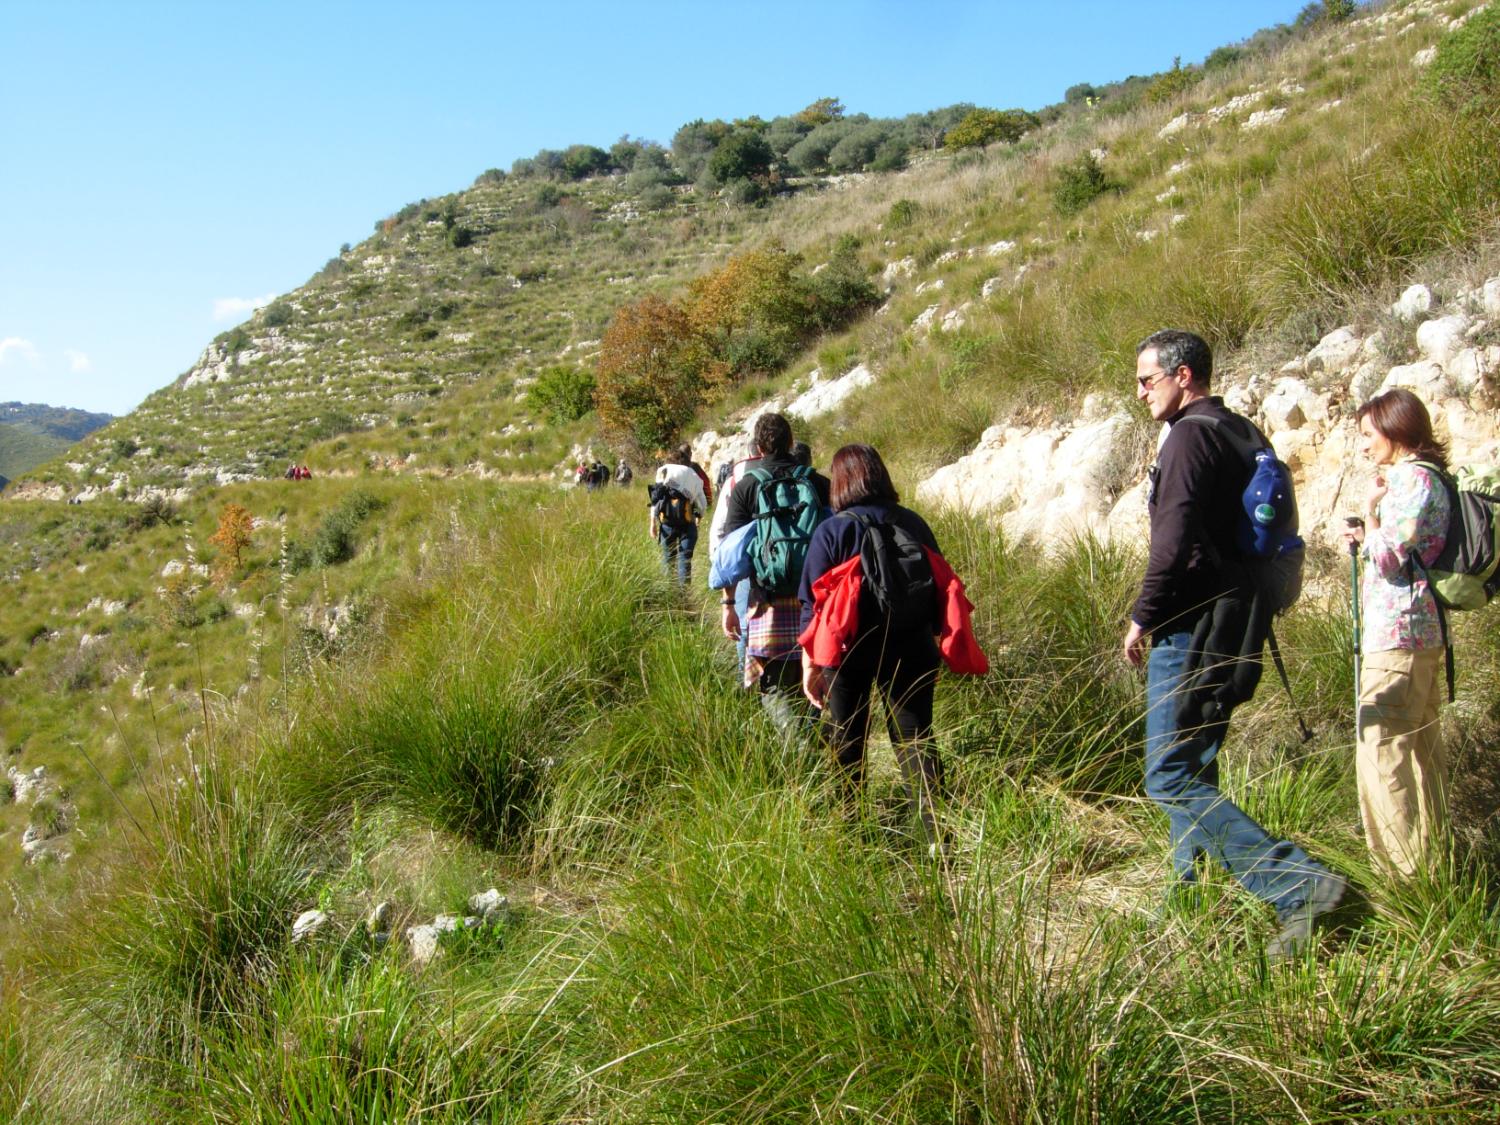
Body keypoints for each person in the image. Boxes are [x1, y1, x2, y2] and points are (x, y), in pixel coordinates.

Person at [1122, 329, 1346, 960]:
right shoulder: (1240, 430)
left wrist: (1143, 615)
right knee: (1194, 764)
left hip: (1192, 623)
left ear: (1183, 375)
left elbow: (1172, 543)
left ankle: (1295, 882)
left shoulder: (1190, 436)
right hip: (1239, 620)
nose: (1140, 392)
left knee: (1168, 775)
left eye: (1147, 379)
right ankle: (1190, 903)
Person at [797, 444, 965, 845]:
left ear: (838, 484)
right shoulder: (914, 524)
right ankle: (937, 845)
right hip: (912, 648)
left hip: (848, 653)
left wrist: (810, 666)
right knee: (916, 741)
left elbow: (813, 606)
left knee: (847, 743)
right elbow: (941, 583)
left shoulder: (832, 530)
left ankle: (853, 839)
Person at [1339, 388, 1451, 878]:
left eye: (1368, 434)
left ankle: (1401, 884)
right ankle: (1435, 873)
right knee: (1424, 754)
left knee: (1383, 752)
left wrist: (1369, 515)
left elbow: (1389, 557)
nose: (1364, 446)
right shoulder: (1433, 479)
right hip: (1422, 635)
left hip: (1398, 637)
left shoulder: (1409, 480)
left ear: (1395, 429)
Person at [722, 413, 829, 715]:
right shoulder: (818, 483)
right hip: (816, 601)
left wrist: (729, 604)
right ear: (791, 442)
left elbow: (733, 555)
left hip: (768, 603)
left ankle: (801, 757)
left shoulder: (746, 487)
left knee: (775, 689)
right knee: (817, 684)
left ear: (758, 447)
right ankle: (814, 747)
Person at [649, 449, 708, 584]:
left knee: (667, 558)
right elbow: (702, 504)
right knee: (684, 560)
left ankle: (668, 593)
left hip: (667, 522)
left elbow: (656, 498)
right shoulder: (694, 475)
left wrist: (652, 523)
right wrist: (699, 517)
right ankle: (684, 596)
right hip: (687, 522)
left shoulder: (663, 471)